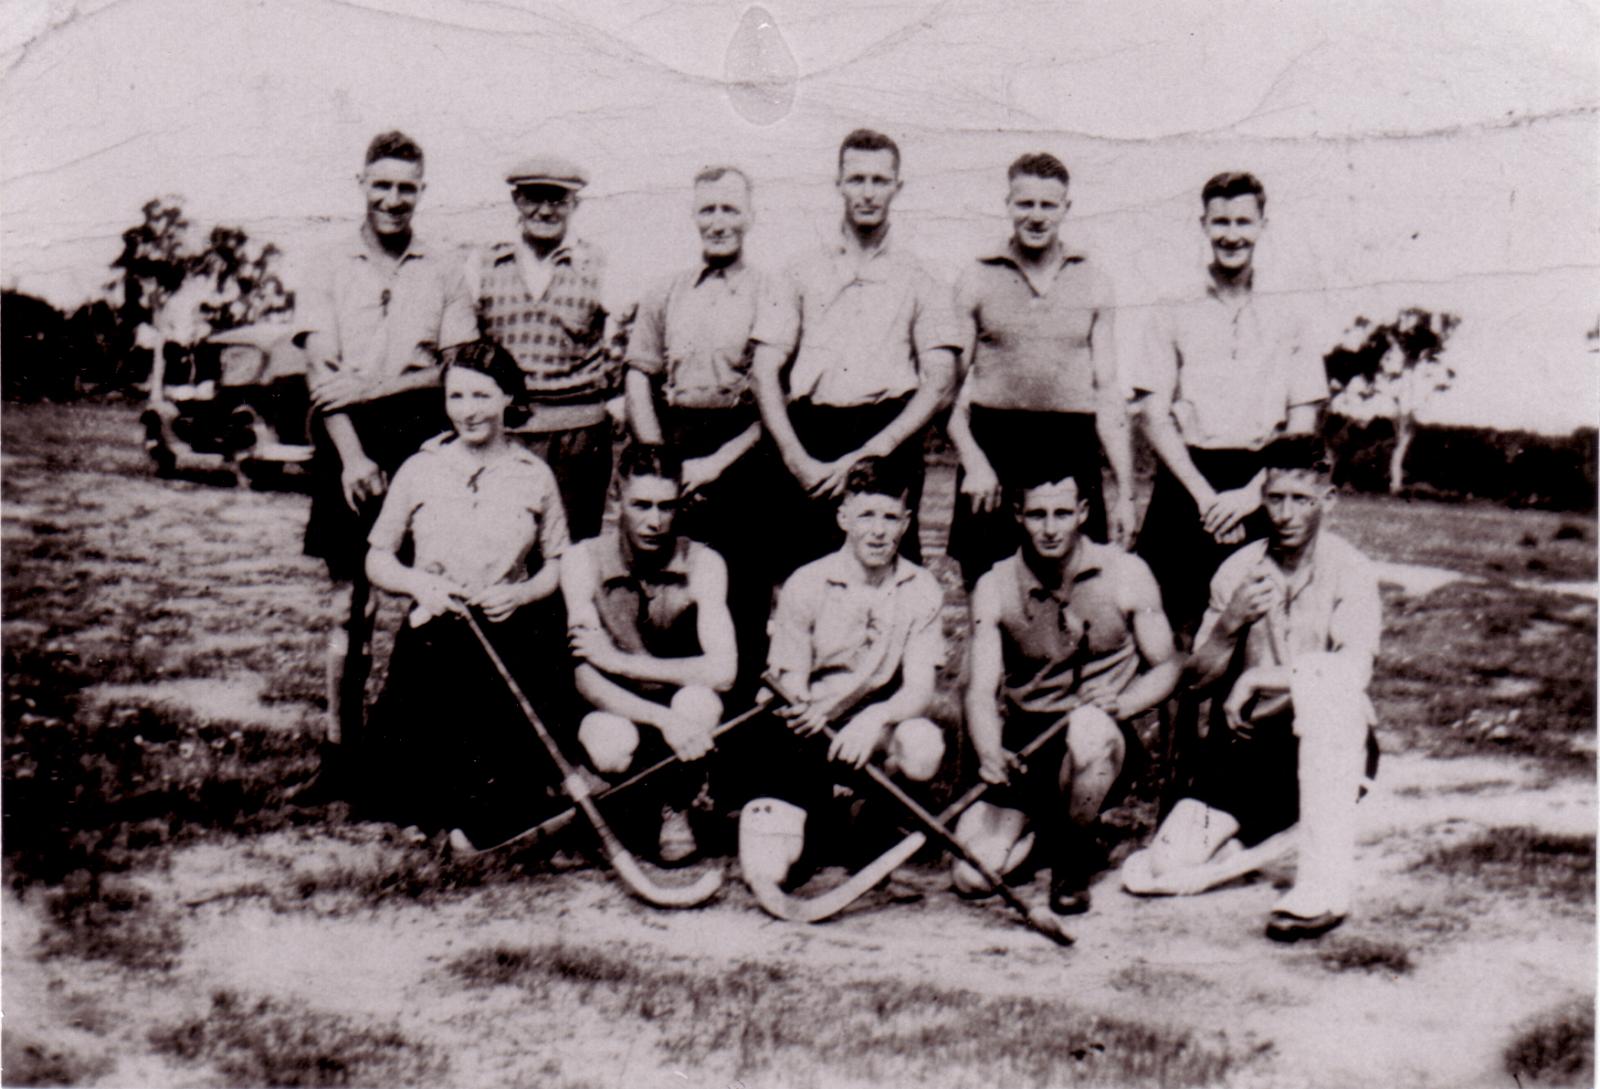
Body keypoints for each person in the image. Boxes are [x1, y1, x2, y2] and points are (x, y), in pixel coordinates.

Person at [1121, 436, 1381, 941]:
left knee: (1329, 691)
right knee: (1163, 866)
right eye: (1275, 498)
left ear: (1327, 502)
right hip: (1246, 753)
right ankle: (1269, 842)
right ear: (1261, 496)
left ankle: (1322, 889)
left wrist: (1262, 677)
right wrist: (1229, 623)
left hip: (1324, 745)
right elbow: (1195, 682)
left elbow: (1354, 671)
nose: (1285, 514)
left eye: (1301, 500)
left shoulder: (1350, 570)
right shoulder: (1237, 570)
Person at [294, 130, 478, 766]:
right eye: (383, 186)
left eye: (407, 188)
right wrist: (351, 458)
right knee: (352, 604)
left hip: (423, 440)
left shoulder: (447, 264)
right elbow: (322, 376)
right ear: (362, 186)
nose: (394, 200)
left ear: (422, 191)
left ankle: (415, 751)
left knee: (431, 592)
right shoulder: (326, 261)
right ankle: (341, 753)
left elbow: (454, 368)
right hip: (351, 445)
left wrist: (377, 383)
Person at [362, 339, 571, 847]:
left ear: (507, 399)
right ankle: (429, 807)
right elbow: (377, 559)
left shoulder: (534, 475)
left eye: (481, 396)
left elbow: (560, 564)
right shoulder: (420, 467)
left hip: (507, 636)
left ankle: (480, 812)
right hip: (434, 637)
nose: (467, 411)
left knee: (501, 783)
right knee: (421, 770)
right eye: (456, 397)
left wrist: (520, 596)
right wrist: (418, 583)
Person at [952, 469, 1179, 914]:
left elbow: (1169, 666)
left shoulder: (1127, 571)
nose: (1051, 528)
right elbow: (980, 692)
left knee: (1089, 728)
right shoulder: (994, 585)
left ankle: (1072, 858)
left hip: (1097, 738)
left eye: (1061, 513)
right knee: (972, 878)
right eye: (1037, 514)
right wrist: (989, 751)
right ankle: (1053, 835)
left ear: (1082, 513)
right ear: (1018, 515)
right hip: (1026, 744)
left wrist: (1125, 702)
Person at [749, 129, 961, 578]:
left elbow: (939, 379)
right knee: (803, 578)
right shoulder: (798, 269)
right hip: (810, 440)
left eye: (880, 180)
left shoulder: (922, 274)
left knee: (889, 578)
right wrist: (795, 458)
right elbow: (765, 370)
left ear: (897, 187)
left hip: (888, 437)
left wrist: (873, 451)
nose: (867, 192)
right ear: (839, 184)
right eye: (857, 179)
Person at [1131, 171, 1328, 641]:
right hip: (1187, 481)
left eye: (1243, 221)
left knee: (1254, 626)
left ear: (1263, 225)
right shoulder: (1171, 307)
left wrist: (1253, 494)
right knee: (1172, 626)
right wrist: (1203, 496)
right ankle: (1171, 719)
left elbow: (1304, 419)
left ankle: (1235, 717)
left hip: (1263, 480)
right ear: (1203, 224)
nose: (1231, 235)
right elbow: (1152, 414)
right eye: (1220, 222)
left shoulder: (1291, 311)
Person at [737, 457, 947, 886]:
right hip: (808, 732)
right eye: (866, 515)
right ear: (844, 517)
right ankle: (819, 821)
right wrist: (809, 709)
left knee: (922, 744)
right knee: (768, 871)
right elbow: (790, 684)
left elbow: (921, 688)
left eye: (890, 517)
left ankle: (873, 816)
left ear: (906, 523)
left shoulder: (921, 586)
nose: (877, 530)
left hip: (873, 734)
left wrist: (874, 718)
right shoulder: (807, 582)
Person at [947, 153, 1135, 589]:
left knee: (1078, 596)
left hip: (1072, 446)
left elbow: (1108, 395)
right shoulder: (975, 277)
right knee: (988, 597)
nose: (1036, 216)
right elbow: (948, 394)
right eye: (1025, 204)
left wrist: (1125, 494)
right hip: (995, 449)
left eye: (1048, 205)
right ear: (1007, 203)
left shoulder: (1094, 280)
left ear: (1066, 208)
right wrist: (974, 461)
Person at [625, 165, 772, 702]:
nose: (718, 221)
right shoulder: (664, 291)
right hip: (675, 444)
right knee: (671, 583)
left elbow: (778, 400)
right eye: (707, 209)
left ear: (751, 216)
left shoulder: (771, 291)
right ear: (693, 216)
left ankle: (738, 729)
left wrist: (719, 463)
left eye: (730, 209)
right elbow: (639, 374)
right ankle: (675, 718)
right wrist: (656, 457)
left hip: (745, 450)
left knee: (743, 589)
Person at [559, 443, 738, 863]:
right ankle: (620, 808)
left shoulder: (705, 561)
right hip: (614, 703)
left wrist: (622, 661)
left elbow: (724, 670)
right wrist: (663, 719)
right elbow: (587, 676)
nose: (654, 521)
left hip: (677, 695)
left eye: (666, 506)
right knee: (611, 743)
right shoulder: (581, 559)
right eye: (641, 505)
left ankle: (676, 806)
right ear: (618, 497)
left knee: (701, 703)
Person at [472, 156, 617, 541]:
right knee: (501, 542)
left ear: (575, 204)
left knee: (570, 547)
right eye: (534, 198)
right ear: (517, 201)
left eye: (557, 199)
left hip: (578, 437)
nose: (545, 210)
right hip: (503, 431)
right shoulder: (484, 262)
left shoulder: (599, 264)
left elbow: (622, 343)